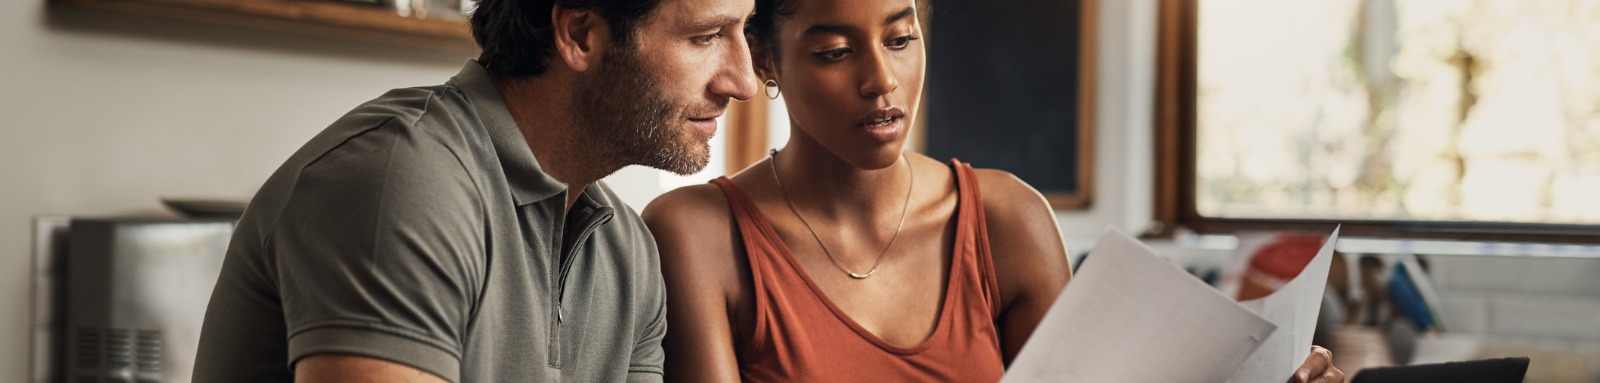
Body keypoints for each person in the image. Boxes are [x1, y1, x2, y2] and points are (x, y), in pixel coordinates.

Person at [641, 0, 1347, 382]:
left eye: (900, 37)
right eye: (833, 52)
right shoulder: (697, 232)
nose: (881, 81)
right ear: (764, 57)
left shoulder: (1007, 218)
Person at [191, 0, 757, 381]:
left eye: (743, 33)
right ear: (580, 35)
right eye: (705, 37)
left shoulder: (626, 249)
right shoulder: (400, 179)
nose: (743, 80)